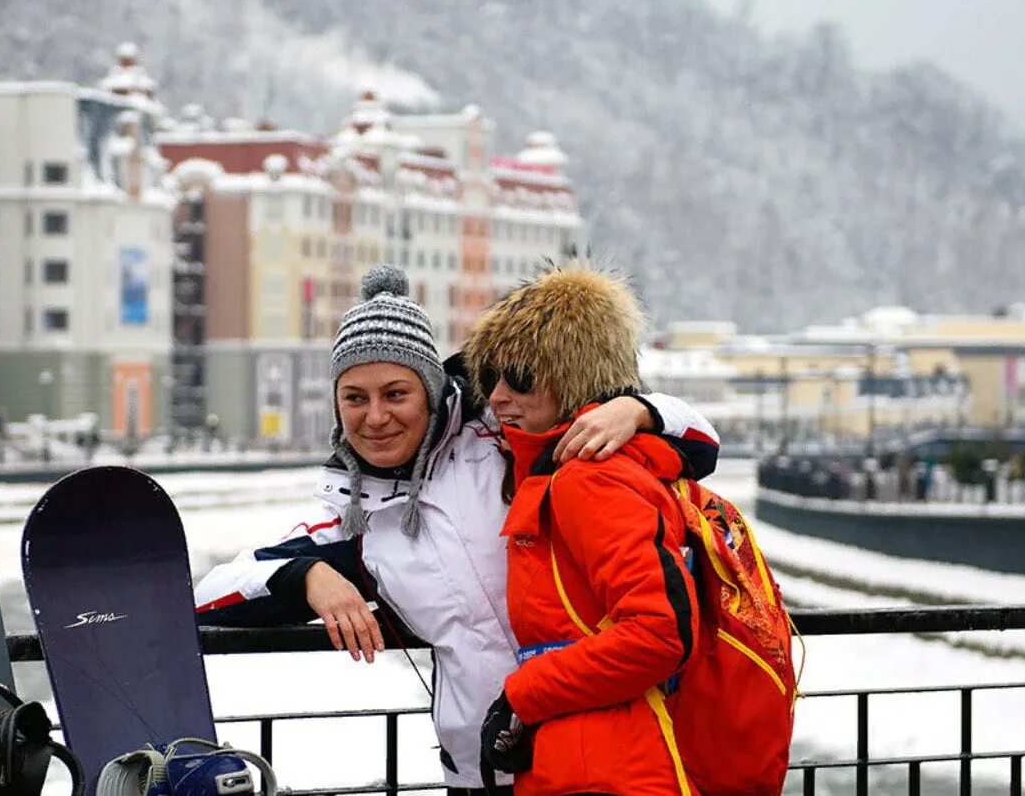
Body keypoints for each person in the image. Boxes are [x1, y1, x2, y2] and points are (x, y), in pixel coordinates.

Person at [195, 265, 719, 796]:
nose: (375, 417)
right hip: (479, 771)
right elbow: (205, 597)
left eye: (395, 394)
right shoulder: (356, 522)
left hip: (597, 753)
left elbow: (701, 443)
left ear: (430, 389)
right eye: (354, 397)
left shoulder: (506, 436)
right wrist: (306, 577)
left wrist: (637, 410)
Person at [468, 262, 701, 796]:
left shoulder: (588, 479)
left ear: (573, 378)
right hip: (589, 756)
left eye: (520, 378)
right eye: (490, 378)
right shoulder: (558, 471)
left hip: (609, 766)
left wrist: (522, 694)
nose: (498, 397)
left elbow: (657, 633)